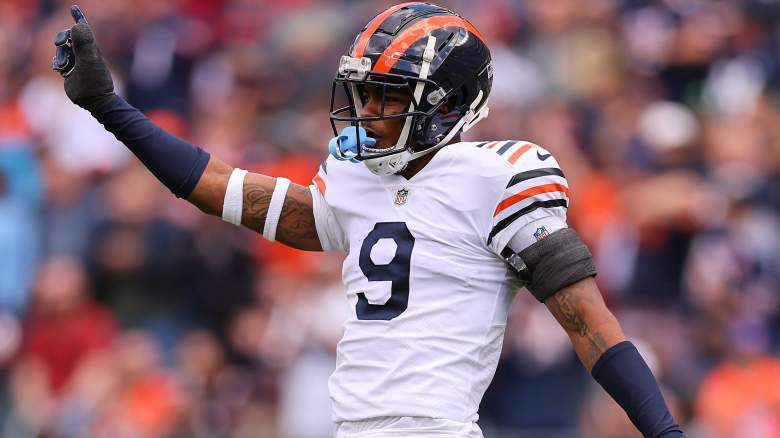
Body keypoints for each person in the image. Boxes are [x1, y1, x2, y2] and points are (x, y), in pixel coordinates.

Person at [52, 3, 684, 437]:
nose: (366, 110)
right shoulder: (356, 178)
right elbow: (222, 188)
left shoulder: (498, 176)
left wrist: (665, 430)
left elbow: (590, 325)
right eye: (363, 91)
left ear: (449, 106)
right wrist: (111, 108)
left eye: (389, 94)